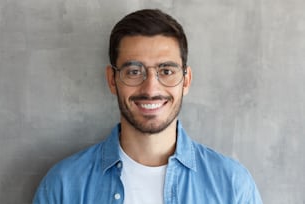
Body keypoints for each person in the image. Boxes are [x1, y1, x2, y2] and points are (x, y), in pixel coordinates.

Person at [33, 9, 263, 204]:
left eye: (166, 71)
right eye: (134, 72)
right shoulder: (63, 186)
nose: (151, 88)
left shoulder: (232, 186)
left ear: (187, 80)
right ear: (112, 80)